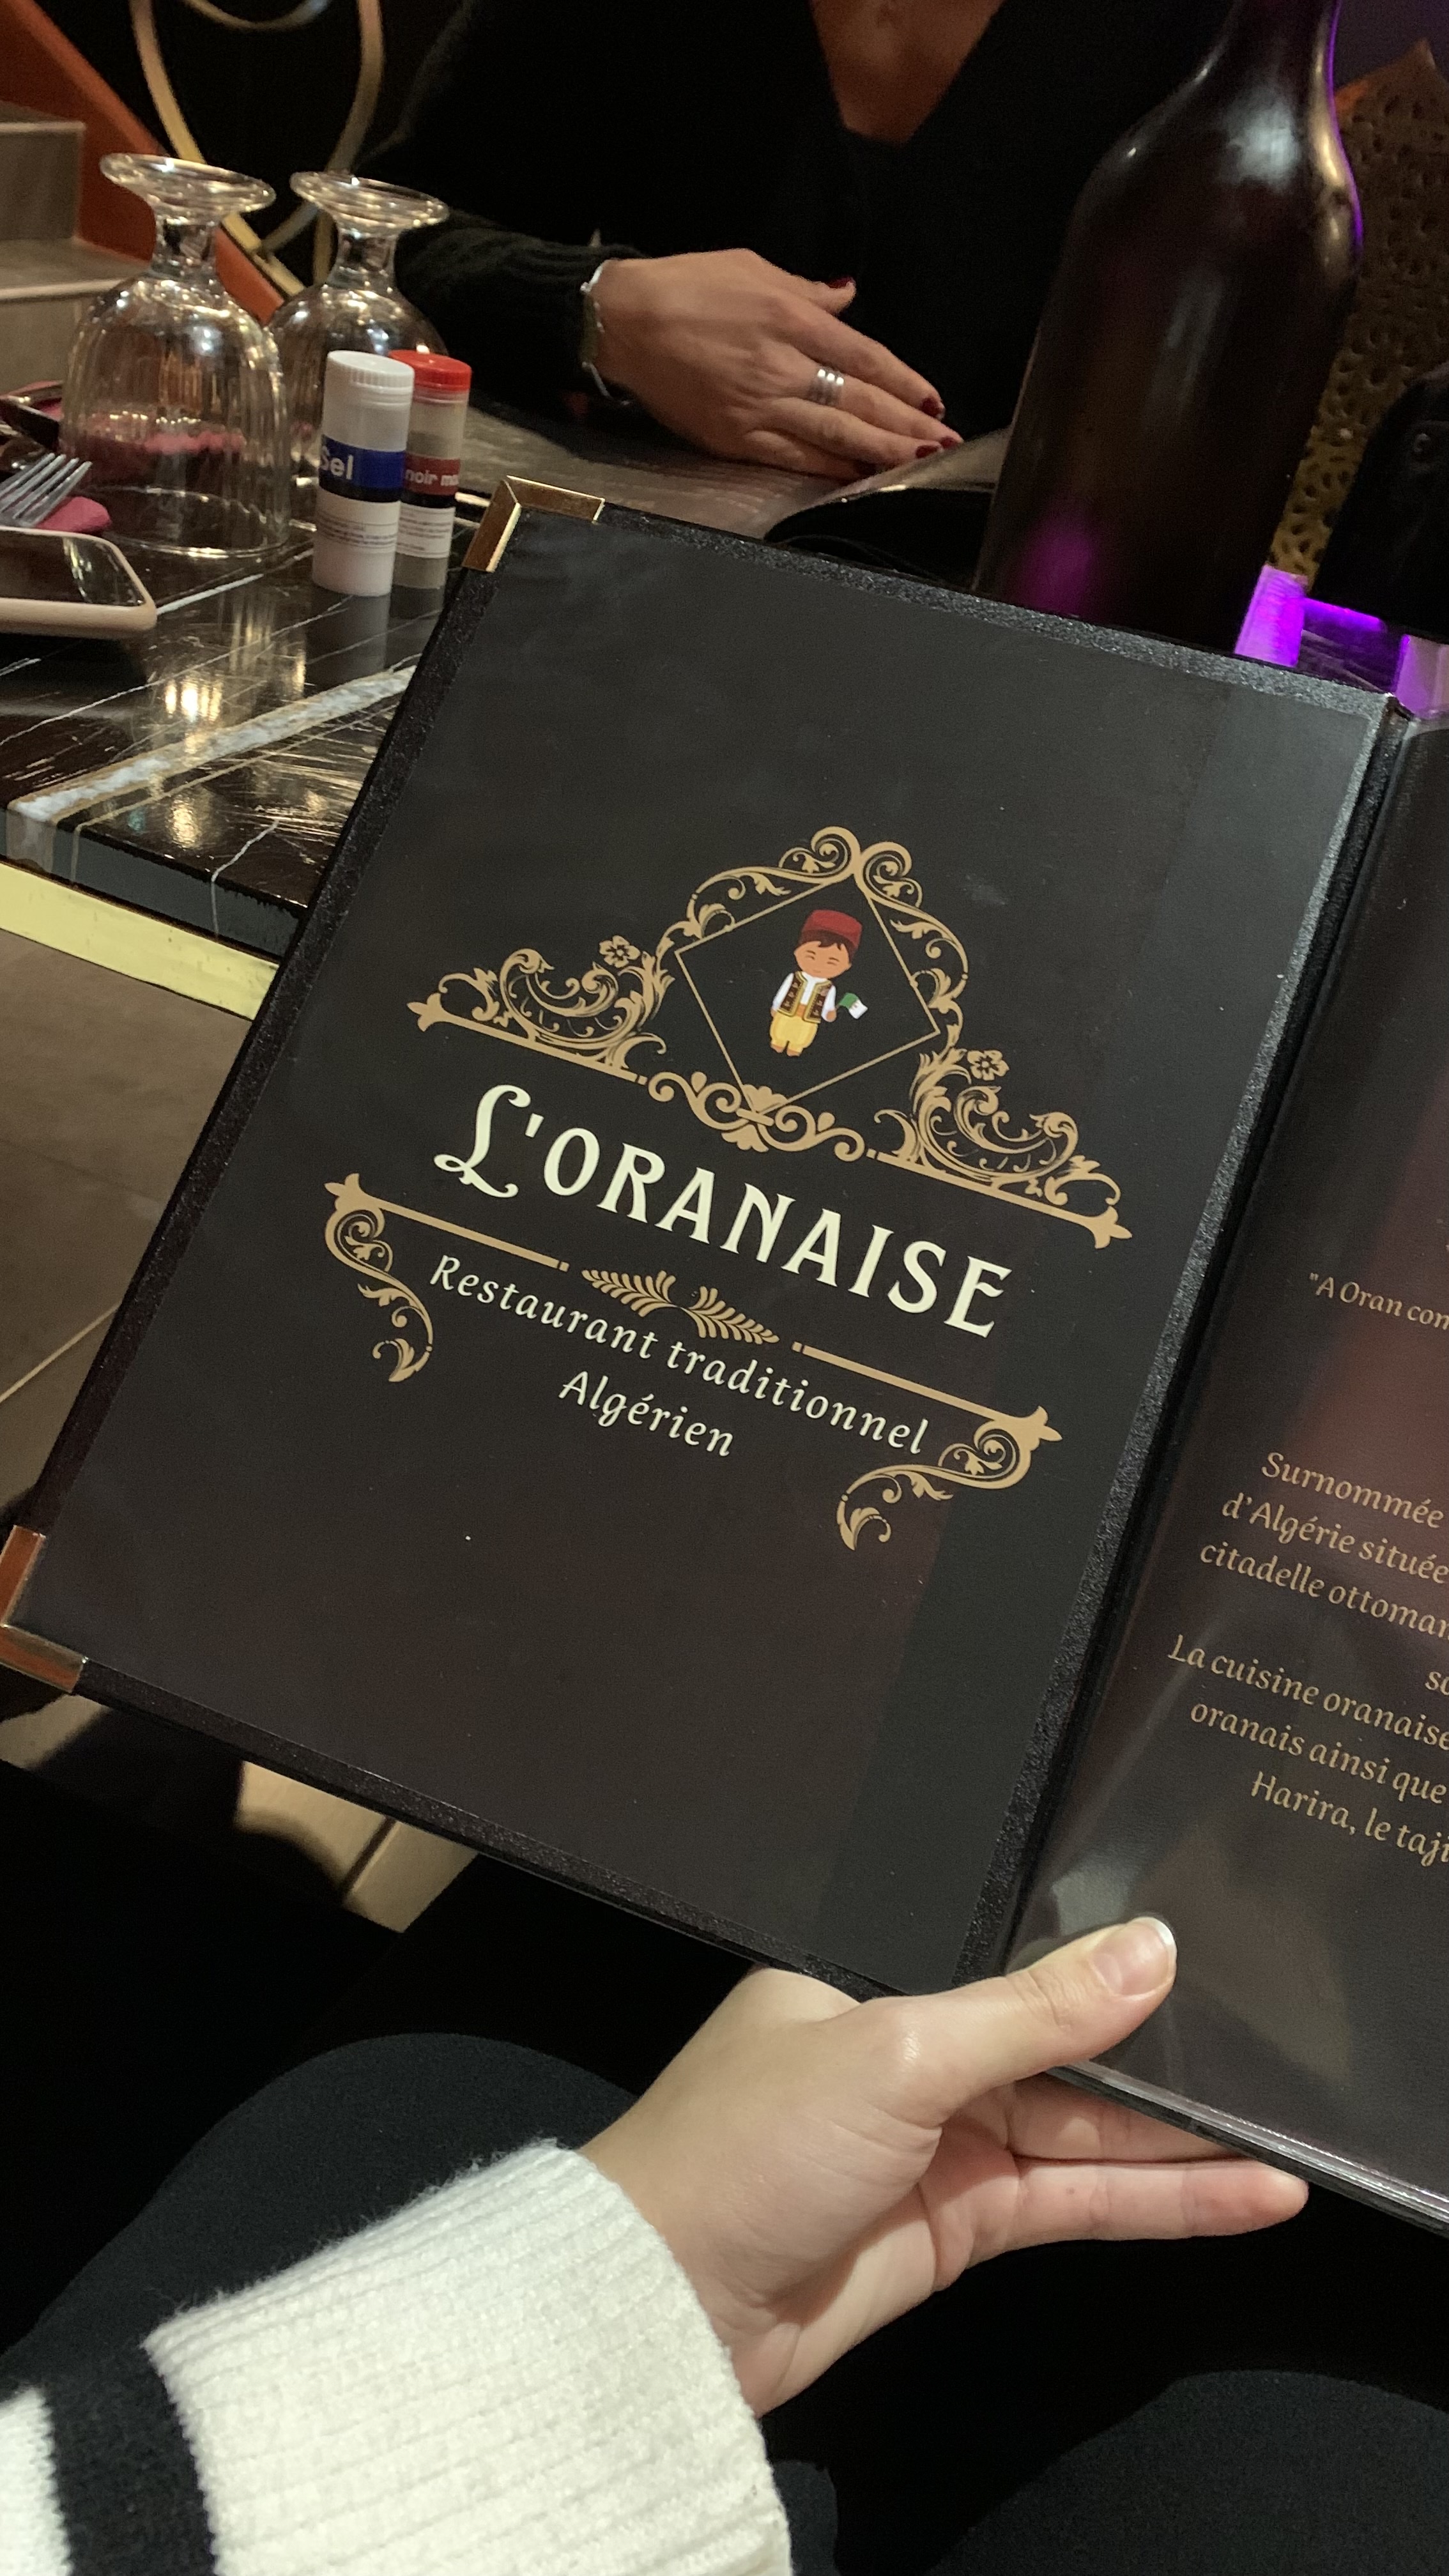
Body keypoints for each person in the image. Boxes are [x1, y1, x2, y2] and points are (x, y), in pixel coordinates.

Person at [369, 0, 1234, 481]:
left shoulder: (1204, 30)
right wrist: (599, 312)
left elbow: (1209, 428)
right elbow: (395, 239)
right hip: (616, 581)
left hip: (1000, 643)